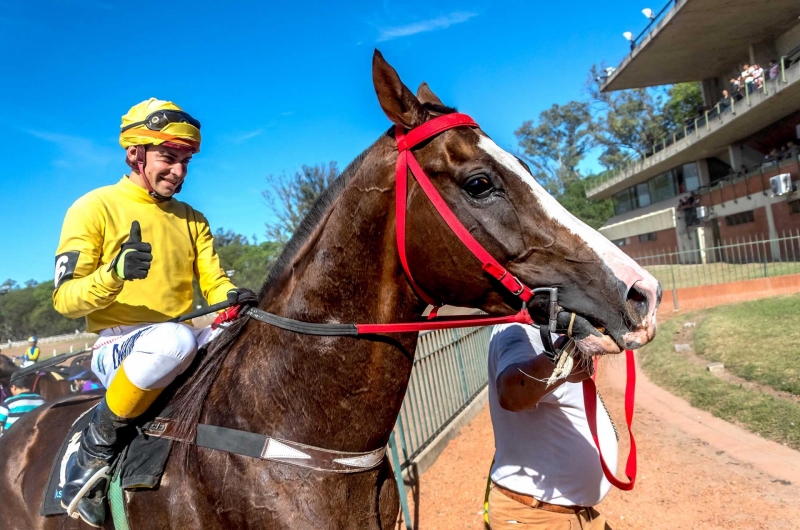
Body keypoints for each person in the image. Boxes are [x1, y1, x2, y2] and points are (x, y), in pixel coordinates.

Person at [53, 98, 254, 527]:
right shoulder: (93, 207)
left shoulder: (193, 219)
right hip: (120, 346)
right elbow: (65, 300)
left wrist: (235, 298)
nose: (179, 172)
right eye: (168, 158)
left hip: (179, 339)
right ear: (134, 154)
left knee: (252, 337)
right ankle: (94, 446)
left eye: (186, 161)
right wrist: (113, 275)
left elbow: (214, 282)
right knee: (173, 338)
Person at [486, 324, 617, 529]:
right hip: (538, 517)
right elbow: (511, 392)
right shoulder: (518, 330)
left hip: (568, 512)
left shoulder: (539, 328)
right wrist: (566, 355)